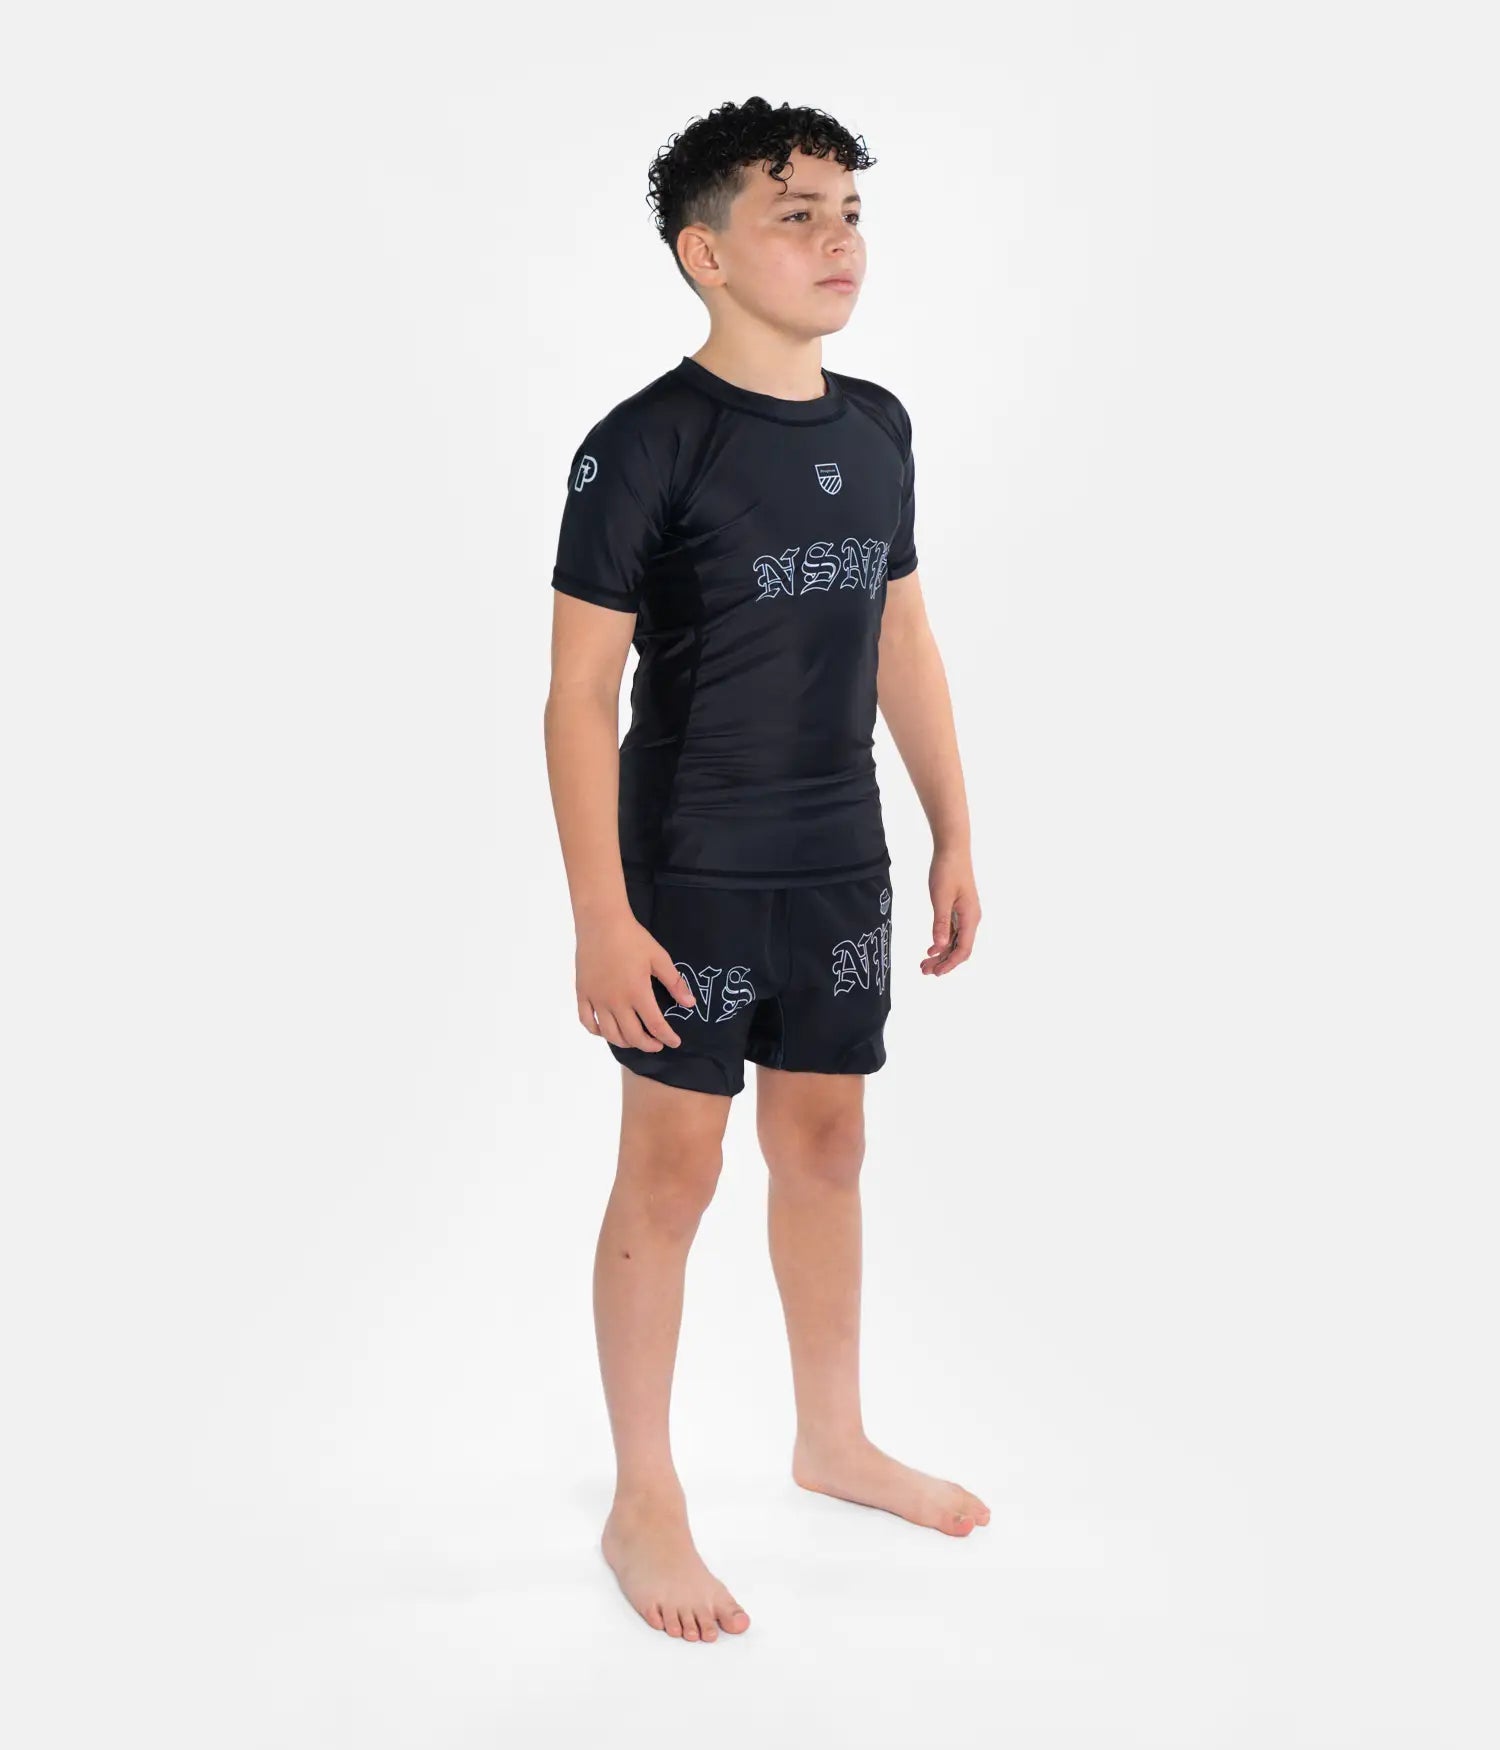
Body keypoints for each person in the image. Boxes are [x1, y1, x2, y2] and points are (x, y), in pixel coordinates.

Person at [542, 96, 986, 1644]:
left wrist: (953, 824)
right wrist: (602, 914)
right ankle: (643, 1493)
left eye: (850, 212)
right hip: (693, 865)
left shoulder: (878, 427)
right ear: (707, 254)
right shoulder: (644, 443)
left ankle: (833, 1436)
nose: (837, 240)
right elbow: (576, 697)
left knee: (829, 1145)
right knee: (674, 1170)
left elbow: (902, 631)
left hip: (838, 856)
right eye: (796, 215)